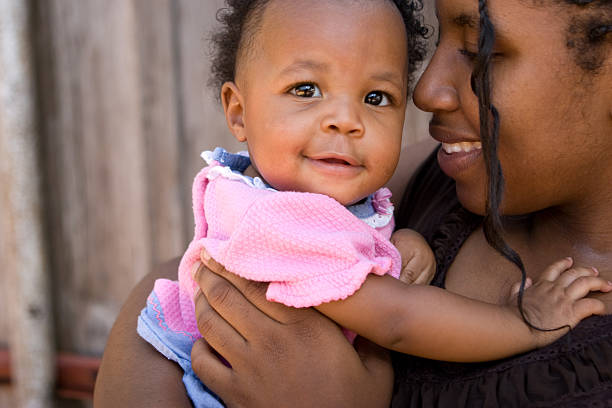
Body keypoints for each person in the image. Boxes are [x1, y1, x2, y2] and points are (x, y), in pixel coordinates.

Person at [94, 0, 612, 407]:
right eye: (305, 88)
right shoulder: (411, 188)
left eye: (479, 49)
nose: (426, 90)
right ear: (237, 110)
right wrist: (525, 321)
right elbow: (396, 319)